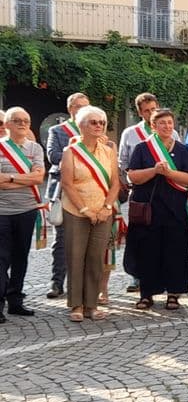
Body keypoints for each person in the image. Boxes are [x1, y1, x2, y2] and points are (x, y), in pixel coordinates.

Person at [124, 108, 188, 311]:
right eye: (162, 123)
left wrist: (169, 172)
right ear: (153, 126)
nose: (167, 126)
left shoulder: (182, 150)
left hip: (175, 211)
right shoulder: (142, 148)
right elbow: (133, 177)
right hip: (148, 210)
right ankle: (146, 294)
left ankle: (174, 293)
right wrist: (154, 171)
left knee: (175, 252)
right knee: (148, 252)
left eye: (170, 123)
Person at [59, 106, 121, 322]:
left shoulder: (109, 151)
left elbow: (115, 183)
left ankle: (92, 305)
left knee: (96, 258)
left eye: (101, 122)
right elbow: (67, 184)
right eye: (93, 122)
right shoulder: (71, 152)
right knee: (76, 257)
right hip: (76, 211)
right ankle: (76, 305)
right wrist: (85, 209)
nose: (98, 126)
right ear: (81, 126)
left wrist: (106, 208)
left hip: (103, 213)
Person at [118, 92, 176, 293]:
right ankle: (136, 277)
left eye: (153, 109)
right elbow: (123, 163)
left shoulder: (172, 133)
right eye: (146, 111)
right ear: (140, 113)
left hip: (167, 192)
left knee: (163, 238)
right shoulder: (130, 134)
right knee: (139, 236)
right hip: (142, 192)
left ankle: (160, 277)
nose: (151, 113)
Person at [0, 107, 46, 322]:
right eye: (16, 120)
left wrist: (8, 179)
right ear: (6, 124)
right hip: (2, 212)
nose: (22, 124)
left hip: (27, 210)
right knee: (1, 259)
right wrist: (24, 178)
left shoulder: (35, 148)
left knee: (21, 257)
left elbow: (38, 179)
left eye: (26, 120)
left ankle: (15, 301)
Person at [44, 92, 90, 299]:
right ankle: (56, 282)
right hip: (62, 190)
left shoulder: (93, 130)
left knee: (86, 240)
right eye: (80, 107)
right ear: (71, 109)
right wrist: (78, 157)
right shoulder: (58, 130)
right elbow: (53, 156)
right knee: (61, 240)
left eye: (87, 106)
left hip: (88, 191)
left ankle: (82, 285)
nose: (84, 110)